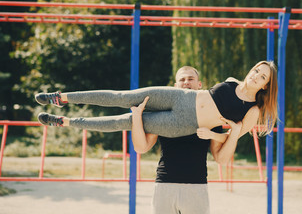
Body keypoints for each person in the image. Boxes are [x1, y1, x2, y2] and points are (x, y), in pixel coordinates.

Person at [35, 60, 278, 142]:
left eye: (262, 76)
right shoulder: (232, 80)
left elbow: (232, 136)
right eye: (257, 70)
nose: (256, 75)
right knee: (122, 96)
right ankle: (61, 97)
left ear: (266, 85)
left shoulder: (253, 110)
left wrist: (213, 135)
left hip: (184, 123)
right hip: (181, 96)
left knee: (126, 121)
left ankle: (65, 122)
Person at [131, 66, 224, 214]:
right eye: (182, 79)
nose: (186, 82)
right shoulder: (164, 112)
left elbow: (219, 155)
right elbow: (141, 148)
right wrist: (136, 116)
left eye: (190, 79)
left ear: (199, 84)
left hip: (197, 186)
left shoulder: (211, 115)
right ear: (175, 86)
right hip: (165, 184)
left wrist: (219, 133)